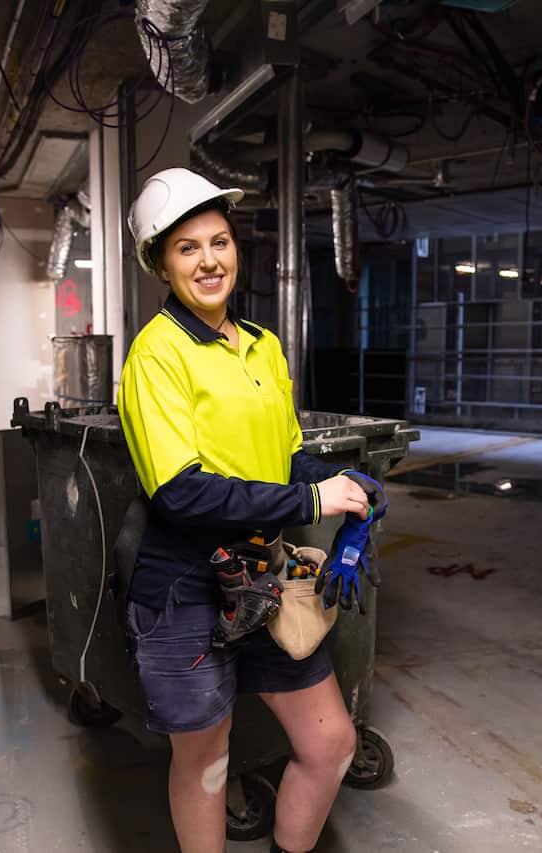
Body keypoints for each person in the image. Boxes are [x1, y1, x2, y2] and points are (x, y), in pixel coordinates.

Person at [117, 167, 376, 853]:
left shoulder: (262, 345)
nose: (210, 260)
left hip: (265, 573)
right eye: (187, 247)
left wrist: (341, 477)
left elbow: (283, 455)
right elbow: (181, 491)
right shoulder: (156, 355)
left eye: (220, 241)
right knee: (206, 761)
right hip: (186, 584)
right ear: (161, 264)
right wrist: (311, 499)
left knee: (332, 744)